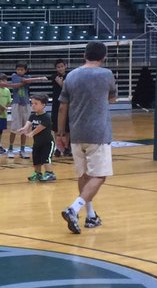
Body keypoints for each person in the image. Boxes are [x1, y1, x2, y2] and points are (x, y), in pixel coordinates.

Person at [57, 40, 118, 234]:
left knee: (84, 175)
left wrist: (61, 133)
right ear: (104, 57)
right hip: (98, 133)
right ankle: (74, 208)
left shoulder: (71, 76)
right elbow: (112, 98)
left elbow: (62, 107)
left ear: (85, 55)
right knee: (100, 175)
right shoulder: (106, 74)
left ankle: (90, 216)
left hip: (76, 133)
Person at [8, 62, 49, 158]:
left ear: (25, 70)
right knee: (14, 127)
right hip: (16, 104)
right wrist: (39, 78)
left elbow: (27, 80)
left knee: (25, 127)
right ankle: (10, 148)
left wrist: (32, 79)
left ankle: (22, 150)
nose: (19, 71)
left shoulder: (28, 77)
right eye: (18, 69)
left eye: (22, 70)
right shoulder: (14, 76)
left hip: (26, 104)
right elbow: (25, 81)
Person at [21, 95, 56, 183]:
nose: (33, 105)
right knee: (36, 159)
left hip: (47, 143)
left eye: (36, 103)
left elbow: (40, 128)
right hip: (37, 143)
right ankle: (38, 173)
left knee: (46, 159)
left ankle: (50, 174)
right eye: (32, 103)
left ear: (43, 105)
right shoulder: (33, 116)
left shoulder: (46, 117)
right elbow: (28, 123)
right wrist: (24, 128)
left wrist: (31, 133)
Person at [50, 58, 71, 158]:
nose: (60, 68)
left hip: (67, 104)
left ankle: (67, 147)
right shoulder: (54, 76)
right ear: (56, 68)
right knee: (55, 128)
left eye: (62, 66)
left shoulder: (70, 76)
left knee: (67, 127)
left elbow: (67, 88)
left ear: (65, 66)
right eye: (58, 67)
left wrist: (61, 83)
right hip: (56, 104)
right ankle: (58, 148)